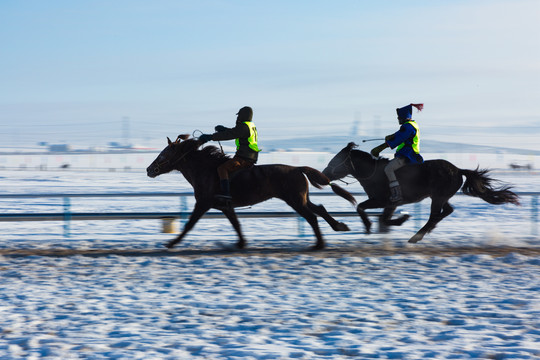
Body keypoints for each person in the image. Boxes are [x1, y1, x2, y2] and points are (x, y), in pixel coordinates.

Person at [199, 106, 261, 208]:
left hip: (244, 158)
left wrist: (210, 137)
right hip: (248, 156)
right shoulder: (249, 126)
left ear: (242, 115)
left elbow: (231, 134)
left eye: (239, 115)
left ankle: (226, 195)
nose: (237, 118)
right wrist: (224, 130)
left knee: (222, 168)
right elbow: (235, 132)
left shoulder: (244, 127)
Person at [370, 103, 424, 203]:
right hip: (409, 153)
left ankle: (397, 194)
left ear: (404, 117)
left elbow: (399, 138)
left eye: (399, 117)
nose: (398, 119)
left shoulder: (407, 127)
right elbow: (400, 134)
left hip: (408, 155)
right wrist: (392, 135)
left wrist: (379, 148)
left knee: (388, 169)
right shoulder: (411, 125)